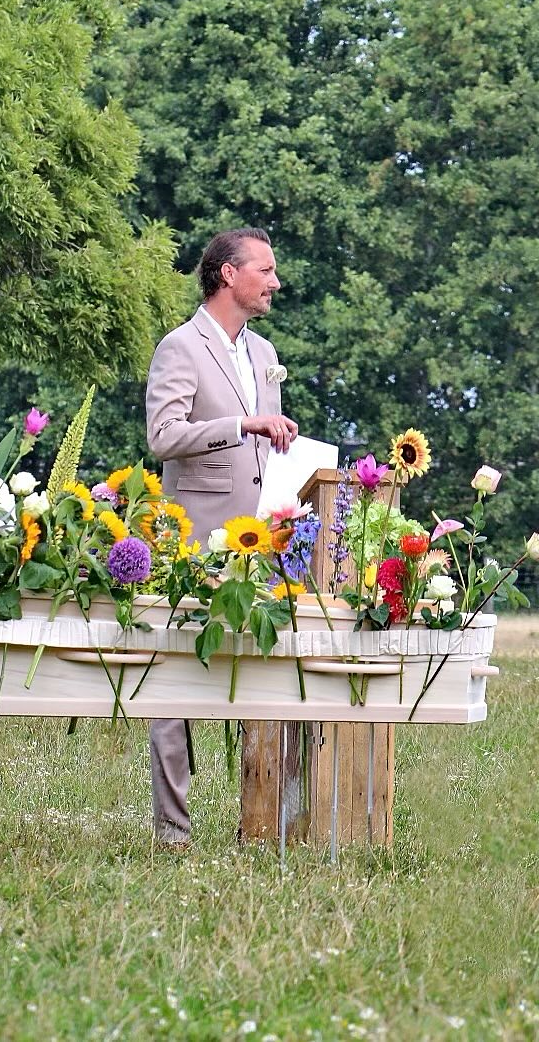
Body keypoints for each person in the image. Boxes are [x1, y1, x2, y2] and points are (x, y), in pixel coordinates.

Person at [145, 227, 299, 847]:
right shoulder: (180, 347)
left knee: (269, 671)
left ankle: (264, 823)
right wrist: (240, 424)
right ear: (228, 274)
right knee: (172, 685)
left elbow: (265, 447)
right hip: (195, 540)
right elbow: (163, 436)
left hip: (263, 545)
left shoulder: (264, 353)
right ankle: (172, 830)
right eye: (265, 269)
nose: (275, 282)